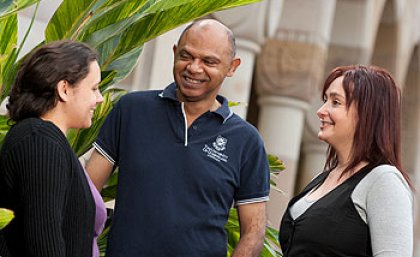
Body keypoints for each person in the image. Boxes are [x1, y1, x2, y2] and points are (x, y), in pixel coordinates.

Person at [86, 19, 270, 257]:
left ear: (232, 67)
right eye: (186, 56)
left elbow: (253, 233)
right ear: (174, 53)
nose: (194, 68)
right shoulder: (131, 110)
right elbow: (86, 195)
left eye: (208, 61)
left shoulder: (246, 141)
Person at [279, 65, 413, 257]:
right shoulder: (321, 179)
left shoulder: (384, 181)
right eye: (325, 100)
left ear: (367, 114)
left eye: (335, 102)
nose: (321, 111)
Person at [0, 40, 106, 257]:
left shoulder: (44, 139)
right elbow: (44, 244)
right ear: (64, 89)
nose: (100, 98)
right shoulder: (40, 141)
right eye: (94, 88)